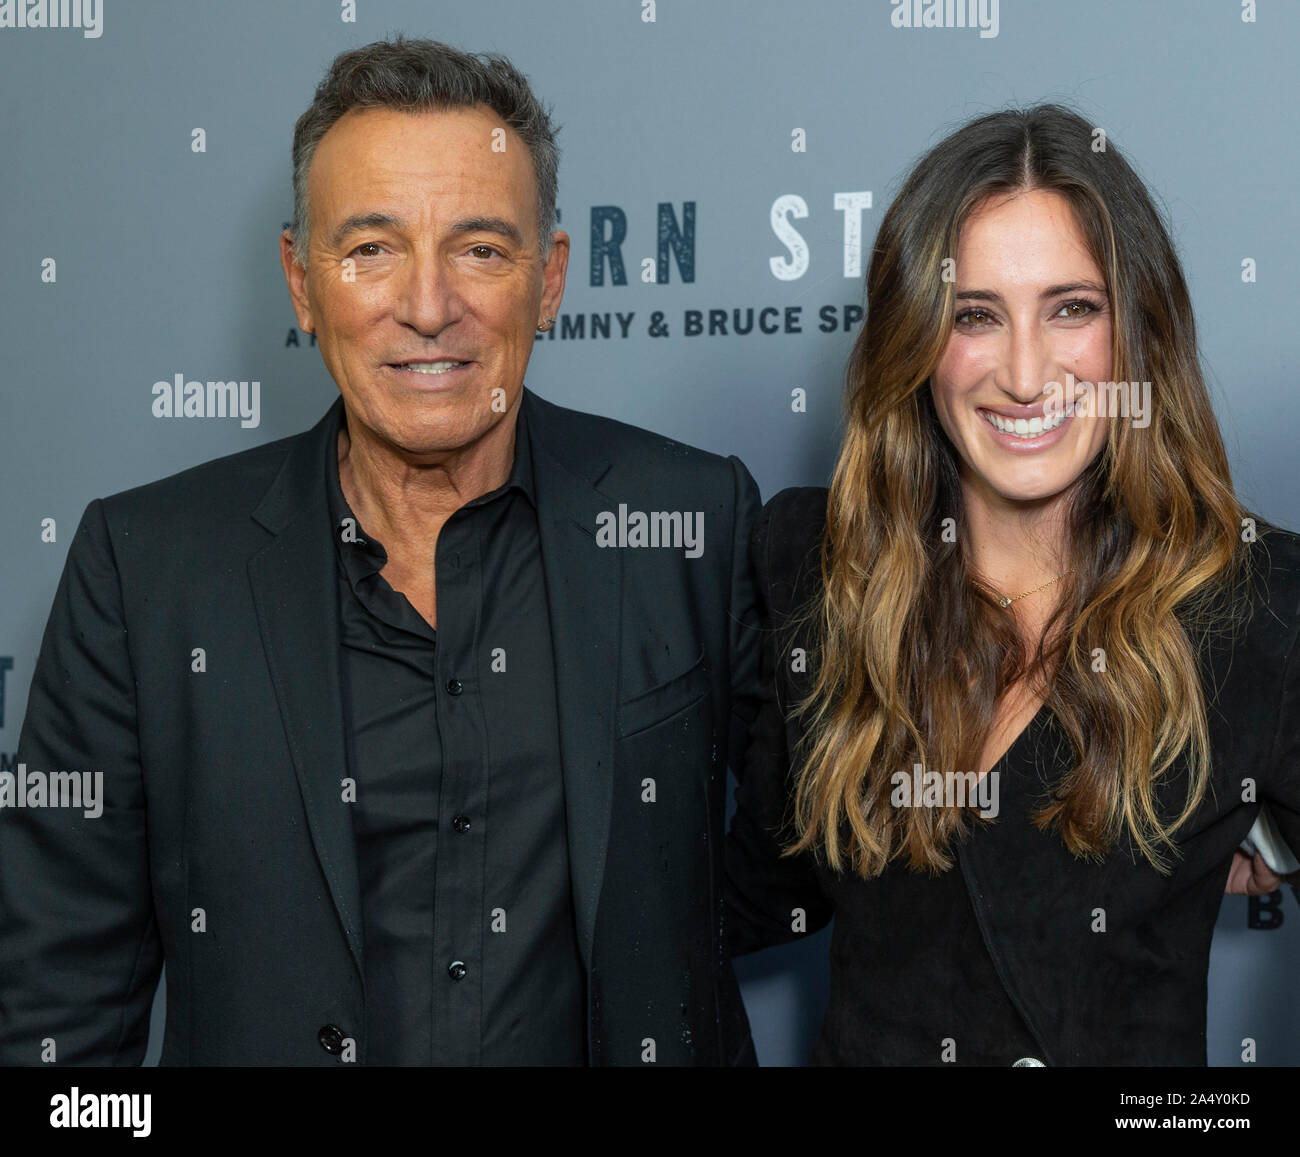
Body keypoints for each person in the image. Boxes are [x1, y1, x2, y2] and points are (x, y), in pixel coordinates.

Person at [0, 36, 761, 1067]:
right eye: (370, 247)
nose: (427, 304)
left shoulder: (693, 523)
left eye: (481, 248)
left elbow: (808, 861)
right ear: (301, 281)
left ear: (549, 279)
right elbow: (60, 999)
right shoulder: (145, 571)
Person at [725, 103, 1300, 1066]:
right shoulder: (816, 567)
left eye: (1072, 308)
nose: (1026, 375)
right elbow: (745, 897)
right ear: (914, 340)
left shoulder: (1257, 604)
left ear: (1137, 333)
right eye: (974, 315)